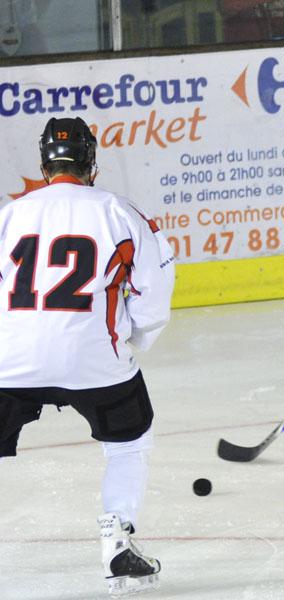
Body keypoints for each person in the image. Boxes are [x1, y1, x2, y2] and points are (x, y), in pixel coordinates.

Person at [0, 117, 175, 594]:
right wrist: (132, 340)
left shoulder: (10, 215)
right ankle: (117, 539)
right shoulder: (121, 213)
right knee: (129, 442)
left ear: (44, 165)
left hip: (10, 361)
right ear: (92, 163)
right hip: (95, 362)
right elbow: (153, 293)